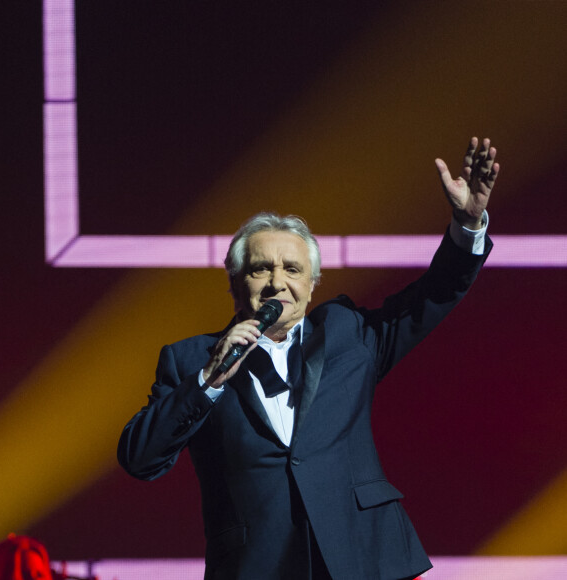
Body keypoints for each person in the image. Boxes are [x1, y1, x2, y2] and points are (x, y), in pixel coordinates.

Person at [118, 137, 499, 580]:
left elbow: (432, 296)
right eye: (261, 268)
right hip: (257, 566)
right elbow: (140, 458)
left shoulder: (346, 332)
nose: (277, 282)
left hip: (362, 559)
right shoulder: (190, 360)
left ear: (313, 283)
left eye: (293, 269)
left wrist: (467, 223)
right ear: (235, 284)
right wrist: (208, 381)